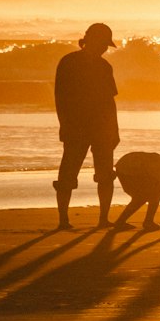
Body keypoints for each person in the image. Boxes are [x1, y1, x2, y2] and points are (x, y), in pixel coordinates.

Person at [53, 22, 120, 229]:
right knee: (68, 175)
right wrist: (64, 124)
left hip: (100, 127)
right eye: (103, 44)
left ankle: (103, 219)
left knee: (105, 175)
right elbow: (61, 98)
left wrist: (115, 130)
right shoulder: (69, 63)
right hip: (78, 127)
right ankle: (63, 220)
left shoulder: (103, 66)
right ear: (90, 40)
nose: (105, 48)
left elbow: (110, 102)